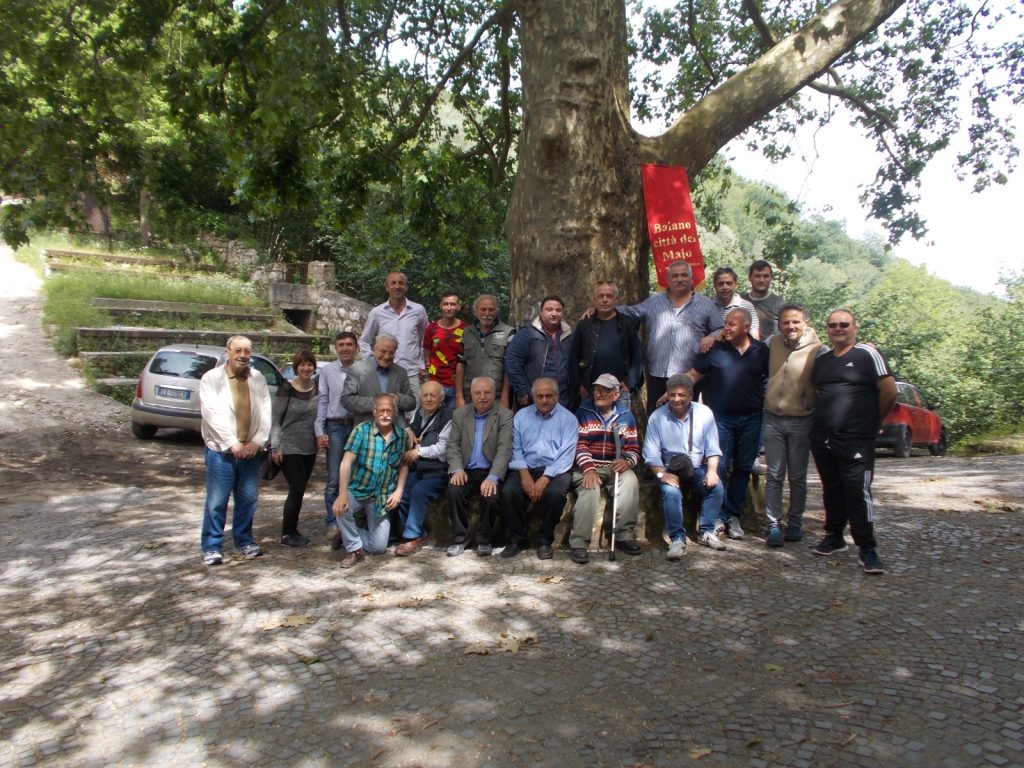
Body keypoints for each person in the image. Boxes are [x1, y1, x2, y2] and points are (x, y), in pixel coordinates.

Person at [810, 309, 897, 575]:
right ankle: (834, 536)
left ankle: (867, 548)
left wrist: (874, 421)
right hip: (824, 436)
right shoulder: (823, 360)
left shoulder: (867, 354)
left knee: (858, 492)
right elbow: (818, 392)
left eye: (844, 324)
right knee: (832, 489)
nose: (838, 329)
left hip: (856, 438)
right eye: (833, 325)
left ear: (854, 327)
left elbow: (889, 390)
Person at [688, 307, 769, 541]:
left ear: (746, 327)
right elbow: (694, 375)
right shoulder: (716, 349)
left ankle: (734, 515)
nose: (727, 328)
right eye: (726, 324)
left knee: (743, 467)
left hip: (752, 418)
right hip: (721, 419)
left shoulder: (761, 350)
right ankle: (718, 516)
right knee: (719, 467)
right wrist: (673, 391)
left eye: (733, 324)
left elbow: (770, 378)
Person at [199, 335, 272, 566]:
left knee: (248, 499)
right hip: (222, 451)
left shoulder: (258, 378)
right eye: (238, 350)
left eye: (247, 351)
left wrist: (257, 442)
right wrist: (233, 443)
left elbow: (266, 412)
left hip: (251, 451)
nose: (243, 355)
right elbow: (211, 414)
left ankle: (244, 541)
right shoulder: (211, 378)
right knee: (217, 501)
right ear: (227, 352)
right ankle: (212, 546)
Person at [616, 260, 722, 415]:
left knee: (687, 423)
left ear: (691, 279)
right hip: (658, 376)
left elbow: (721, 328)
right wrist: (602, 309)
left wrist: (713, 336)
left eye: (684, 275)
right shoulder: (654, 301)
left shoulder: (706, 304)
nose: (680, 279)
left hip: (690, 376)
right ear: (668, 280)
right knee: (658, 419)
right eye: (675, 275)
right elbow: (630, 312)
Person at [644, 374, 725, 557]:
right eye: (672, 395)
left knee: (717, 487)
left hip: (696, 467)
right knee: (671, 492)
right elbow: (651, 454)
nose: (676, 399)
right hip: (668, 468)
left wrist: (712, 471)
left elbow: (713, 448)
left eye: (681, 395)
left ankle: (707, 531)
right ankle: (677, 539)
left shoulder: (704, 413)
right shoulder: (657, 417)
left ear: (690, 395)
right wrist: (661, 474)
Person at [762, 303, 821, 547]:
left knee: (797, 476)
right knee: (774, 475)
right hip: (773, 418)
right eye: (785, 322)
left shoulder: (818, 349)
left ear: (805, 322)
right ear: (779, 324)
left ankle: (795, 522)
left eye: (795, 321)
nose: (790, 326)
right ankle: (773, 523)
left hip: (801, 419)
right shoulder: (772, 344)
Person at [500, 378, 578, 560]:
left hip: (556, 469)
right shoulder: (521, 416)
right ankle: (517, 539)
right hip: (525, 467)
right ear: (533, 397)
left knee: (556, 493)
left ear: (557, 397)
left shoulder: (569, 419)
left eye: (549, 396)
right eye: (540, 396)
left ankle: (544, 540)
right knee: (509, 491)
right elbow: (516, 448)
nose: (544, 400)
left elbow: (566, 455)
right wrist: (524, 474)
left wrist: (545, 478)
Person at [331, 394, 412, 568]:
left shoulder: (402, 437)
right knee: (340, 508)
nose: (385, 414)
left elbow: (404, 465)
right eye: (381, 410)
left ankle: (348, 534)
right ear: (374, 412)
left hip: (381, 497)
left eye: (388, 410)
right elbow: (346, 462)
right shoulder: (361, 431)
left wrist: (399, 491)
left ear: (395, 413)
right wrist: (342, 494)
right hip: (359, 489)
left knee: (379, 547)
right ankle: (354, 549)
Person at [568, 374, 642, 564]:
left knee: (631, 481)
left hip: (614, 466)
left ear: (616, 394)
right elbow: (580, 445)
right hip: (588, 465)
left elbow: (633, 449)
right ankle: (579, 542)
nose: (598, 393)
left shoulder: (626, 416)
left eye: (604, 390)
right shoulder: (583, 411)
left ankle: (624, 535)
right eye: (596, 389)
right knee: (590, 488)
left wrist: (627, 463)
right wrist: (588, 468)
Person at [445, 377, 514, 557]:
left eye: (487, 393)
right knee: (453, 491)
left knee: (492, 496)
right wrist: (457, 468)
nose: (482, 397)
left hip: (489, 470)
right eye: (478, 393)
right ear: (471, 395)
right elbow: (452, 445)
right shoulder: (460, 414)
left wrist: (493, 477)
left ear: (494, 394)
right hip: (465, 469)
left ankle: (484, 539)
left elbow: (504, 448)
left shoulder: (505, 415)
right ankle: (460, 539)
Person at [394, 381, 453, 556]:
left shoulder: (448, 416)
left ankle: (411, 537)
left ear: (441, 398)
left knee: (419, 491)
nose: (428, 399)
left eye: (433, 395)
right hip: (418, 469)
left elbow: (443, 448)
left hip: (438, 471)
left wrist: (418, 452)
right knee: (402, 493)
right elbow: (411, 433)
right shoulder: (418, 414)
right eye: (425, 395)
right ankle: (417, 534)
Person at [270, 349, 321, 548]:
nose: (306, 368)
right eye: (302, 365)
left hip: (309, 447)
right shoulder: (286, 388)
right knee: (297, 487)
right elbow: (275, 420)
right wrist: (275, 446)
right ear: (296, 367)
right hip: (288, 446)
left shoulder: (318, 389)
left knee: (299, 490)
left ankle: (293, 530)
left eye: (310, 365)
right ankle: (286, 533)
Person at [568, 281, 643, 409]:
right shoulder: (585, 325)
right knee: (591, 429)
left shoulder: (627, 324)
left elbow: (637, 356)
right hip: (589, 392)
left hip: (619, 392)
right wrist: (579, 385)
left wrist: (629, 383)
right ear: (594, 299)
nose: (605, 300)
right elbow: (573, 357)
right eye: (601, 296)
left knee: (619, 428)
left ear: (616, 299)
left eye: (609, 296)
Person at [358, 271, 428, 401]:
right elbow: (364, 340)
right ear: (387, 287)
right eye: (393, 283)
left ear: (406, 287)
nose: (397, 286)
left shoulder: (418, 310)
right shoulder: (377, 312)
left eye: (401, 283)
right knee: (386, 411)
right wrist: (373, 361)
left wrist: (422, 363)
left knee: (413, 414)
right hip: (385, 372)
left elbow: (426, 338)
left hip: (411, 373)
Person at [315, 331, 358, 538]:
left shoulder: (363, 369)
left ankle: (352, 519)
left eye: (349, 344)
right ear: (336, 347)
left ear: (356, 347)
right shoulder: (328, 371)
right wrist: (319, 430)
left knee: (356, 474)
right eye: (341, 345)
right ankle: (332, 521)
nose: (345, 348)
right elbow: (323, 400)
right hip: (335, 427)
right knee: (334, 477)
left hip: (357, 426)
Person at [505, 295, 574, 408]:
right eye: (549, 309)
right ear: (540, 312)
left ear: (563, 313)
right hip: (534, 399)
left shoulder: (569, 334)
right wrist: (522, 390)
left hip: (563, 398)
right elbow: (512, 362)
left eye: (558, 310)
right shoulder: (527, 333)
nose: (554, 313)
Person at [341, 333, 416, 426]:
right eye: (383, 351)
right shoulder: (356, 370)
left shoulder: (401, 372)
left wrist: (398, 399)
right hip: (366, 431)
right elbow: (346, 400)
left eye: (391, 353)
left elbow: (412, 402)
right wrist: (378, 403)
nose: (387, 356)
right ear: (374, 349)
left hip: (394, 431)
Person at [455, 293, 514, 409]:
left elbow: (510, 368)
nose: (487, 314)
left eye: (491, 310)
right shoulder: (467, 332)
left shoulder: (509, 333)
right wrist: (459, 396)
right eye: (483, 309)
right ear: (476, 311)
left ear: (496, 311)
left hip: (496, 396)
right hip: (470, 396)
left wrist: (505, 397)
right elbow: (460, 364)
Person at [423, 292, 466, 409]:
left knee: (452, 421)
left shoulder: (465, 329)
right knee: (433, 420)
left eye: (452, 304)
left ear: (458, 306)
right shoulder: (432, 328)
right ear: (440, 306)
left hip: (456, 385)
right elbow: (427, 352)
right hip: (435, 383)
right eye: (445, 304)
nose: (449, 308)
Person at [711, 267, 761, 339]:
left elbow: (754, 337)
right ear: (715, 286)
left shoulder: (747, 306)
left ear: (736, 285)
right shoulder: (707, 306)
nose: (725, 287)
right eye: (721, 284)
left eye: (729, 283)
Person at [741, 260, 785, 339]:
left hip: (771, 349)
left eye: (766, 276)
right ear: (750, 278)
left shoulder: (779, 304)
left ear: (771, 278)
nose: (762, 280)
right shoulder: (740, 301)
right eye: (757, 276)